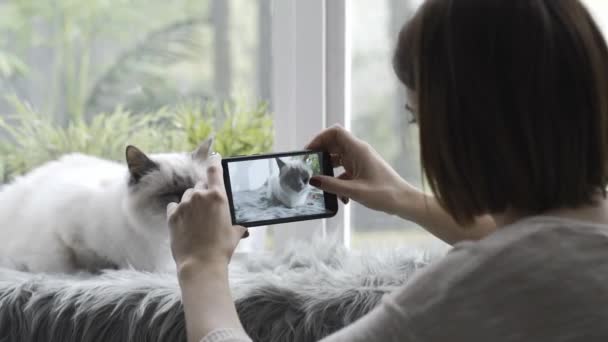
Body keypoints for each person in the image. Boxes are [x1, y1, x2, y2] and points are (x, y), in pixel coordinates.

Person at [166, 0, 608, 341]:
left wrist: (199, 264)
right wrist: (405, 199)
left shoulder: (464, 291)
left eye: (420, 120)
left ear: (462, 132)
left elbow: (519, 263)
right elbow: (544, 243)